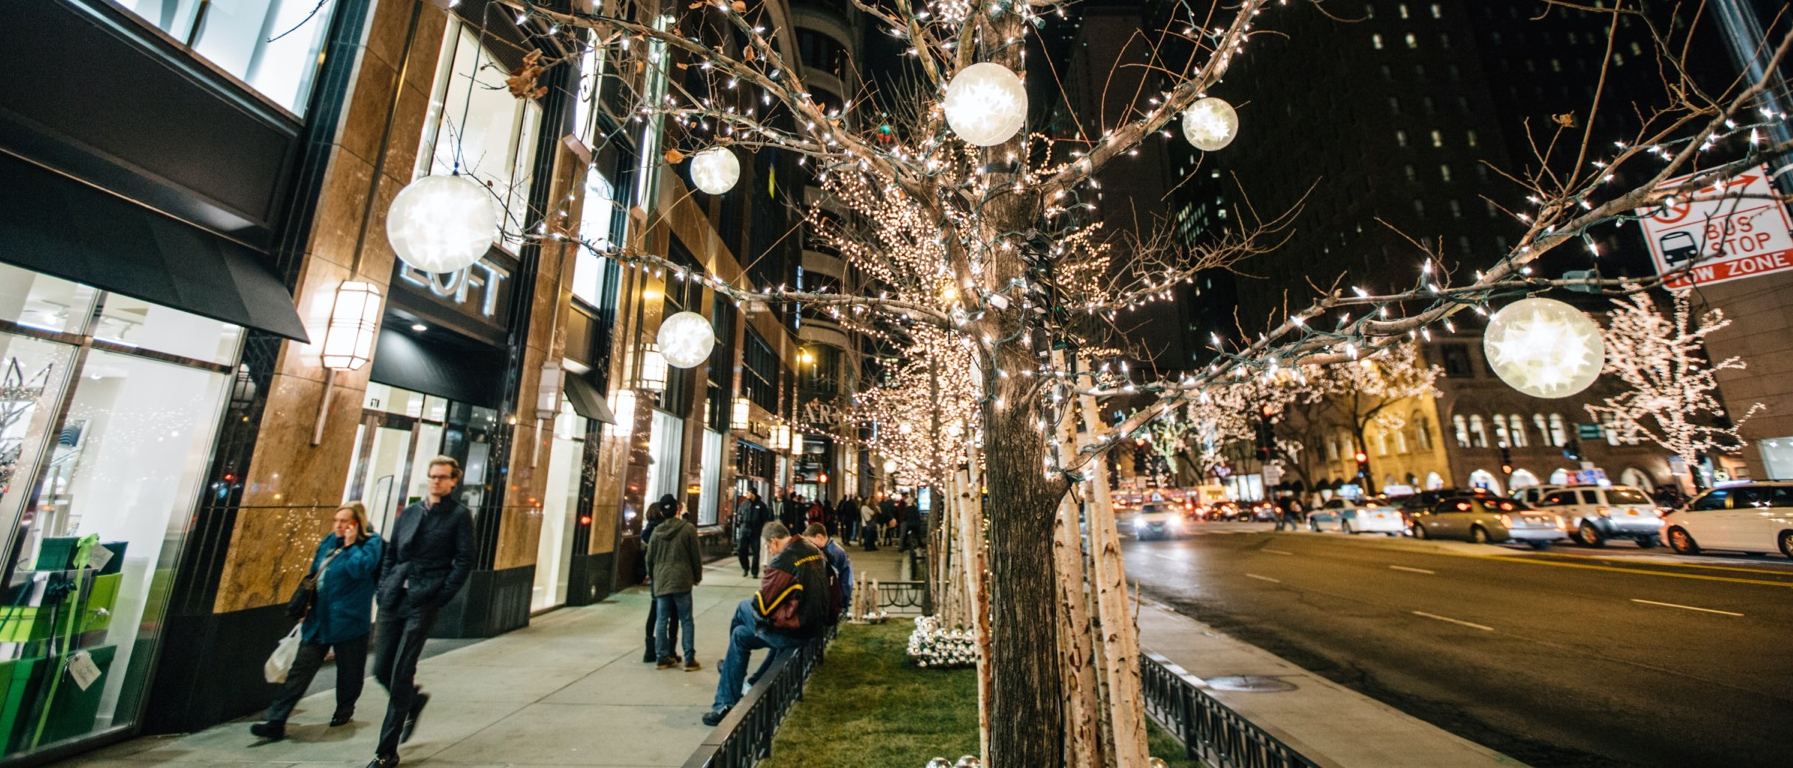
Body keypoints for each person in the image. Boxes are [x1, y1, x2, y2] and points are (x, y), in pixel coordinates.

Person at [366, 456, 475, 768]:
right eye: (432, 476)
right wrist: (384, 585)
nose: (436, 481)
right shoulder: (411, 512)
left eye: (442, 477)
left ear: (454, 481)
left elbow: (465, 559)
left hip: (424, 599)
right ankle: (414, 702)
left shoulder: (458, 516)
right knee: (381, 670)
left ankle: (386, 751)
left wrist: (440, 595)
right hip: (393, 598)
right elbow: (391, 552)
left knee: (401, 673)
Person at [251, 502, 383, 740]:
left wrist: (351, 545)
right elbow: (314, 572)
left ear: (357, 523)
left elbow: (360, 571)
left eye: (345, 521)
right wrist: (307, 604)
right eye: (336, 520)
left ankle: (344, 709)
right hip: (319, 619)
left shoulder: (370, 543)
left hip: (349, 621)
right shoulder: (328, 541)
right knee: (300, 670)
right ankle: (277, 719)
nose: (339, 526)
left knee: (349, 672)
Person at [701, 521, 830, 726]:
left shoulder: (783, 561)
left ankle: (725, 702)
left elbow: (762, 606)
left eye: (768, 547)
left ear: (773, 541)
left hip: (791, 633)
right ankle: (726, 696)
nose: (769, 551)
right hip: (814, 627)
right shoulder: (812, 549)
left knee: (743, 608)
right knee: (740, 636)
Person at [647, 496, 702, 671]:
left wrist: (653, 577)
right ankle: (689, 659)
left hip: (662, 581)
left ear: (662, 512)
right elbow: (695, 555)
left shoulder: (656, 533)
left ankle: (662, 657)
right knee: (686, 619)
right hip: (682, 579)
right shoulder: (688, 529)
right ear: (677, 509)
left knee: (662, 620)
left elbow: (649, 559)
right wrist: (697, 576)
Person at [640, 498, 680, 662]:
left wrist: (650, 573)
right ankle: (669, 650)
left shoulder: (649, 533)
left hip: (656, 576)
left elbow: (649, 559)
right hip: (671, 577)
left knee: (654, 613)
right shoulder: (666, 531)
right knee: (673, 614)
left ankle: (650, 650)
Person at [733, 489, 770, 577]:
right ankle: (745, 567)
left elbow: (765, 518)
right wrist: (740, 518)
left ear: (753, 494)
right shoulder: (744, 504)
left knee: (756, 552)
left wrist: (763, 529)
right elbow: (739, 513)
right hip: (744, 531)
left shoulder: (761, 505)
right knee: (741, 549)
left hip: (755, 532)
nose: (746, 494)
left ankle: (754, 571)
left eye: (748, 493)